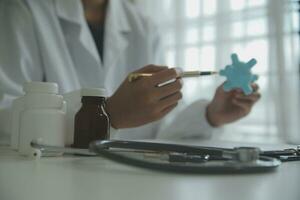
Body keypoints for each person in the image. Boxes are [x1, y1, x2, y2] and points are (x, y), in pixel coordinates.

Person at [0, 0, 261, 142]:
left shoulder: (143, 26)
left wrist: (210, 115)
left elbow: (161, 130)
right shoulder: (23, 10)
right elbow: (6, 113)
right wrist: (107, 115)